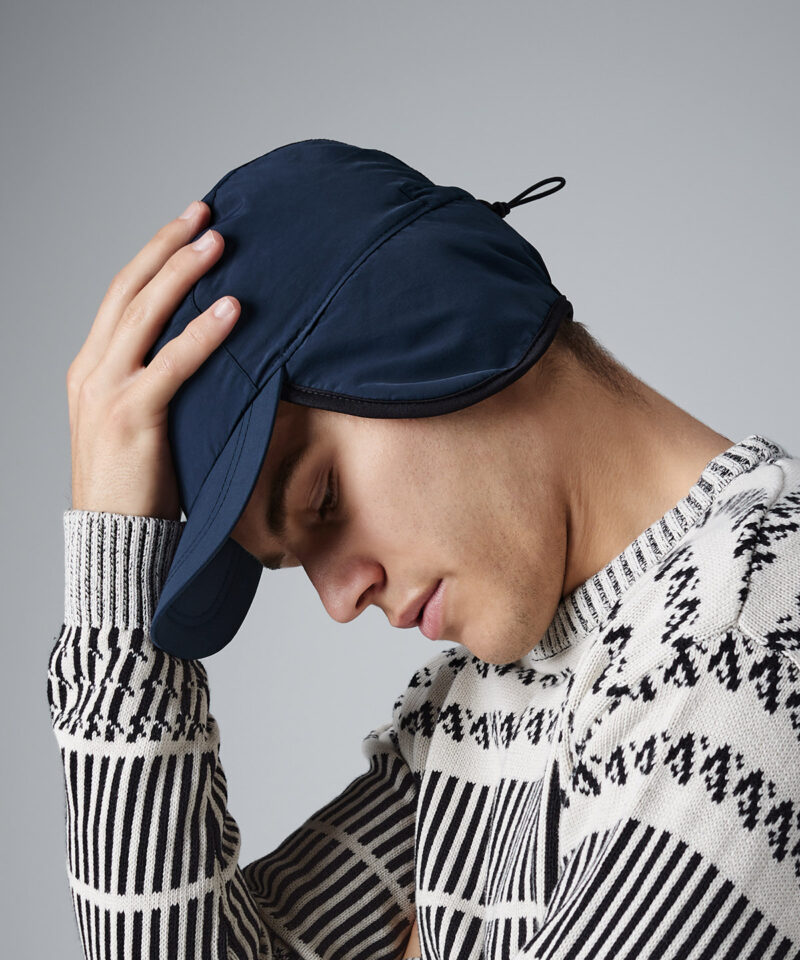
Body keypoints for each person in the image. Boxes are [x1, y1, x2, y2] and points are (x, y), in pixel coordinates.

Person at [48, 156, 800, 959]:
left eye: (322, 498)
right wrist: (113, 581)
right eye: (292, 561)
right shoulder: (463, 715)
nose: (340, 600)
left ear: (445, 329)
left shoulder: (765, 625)